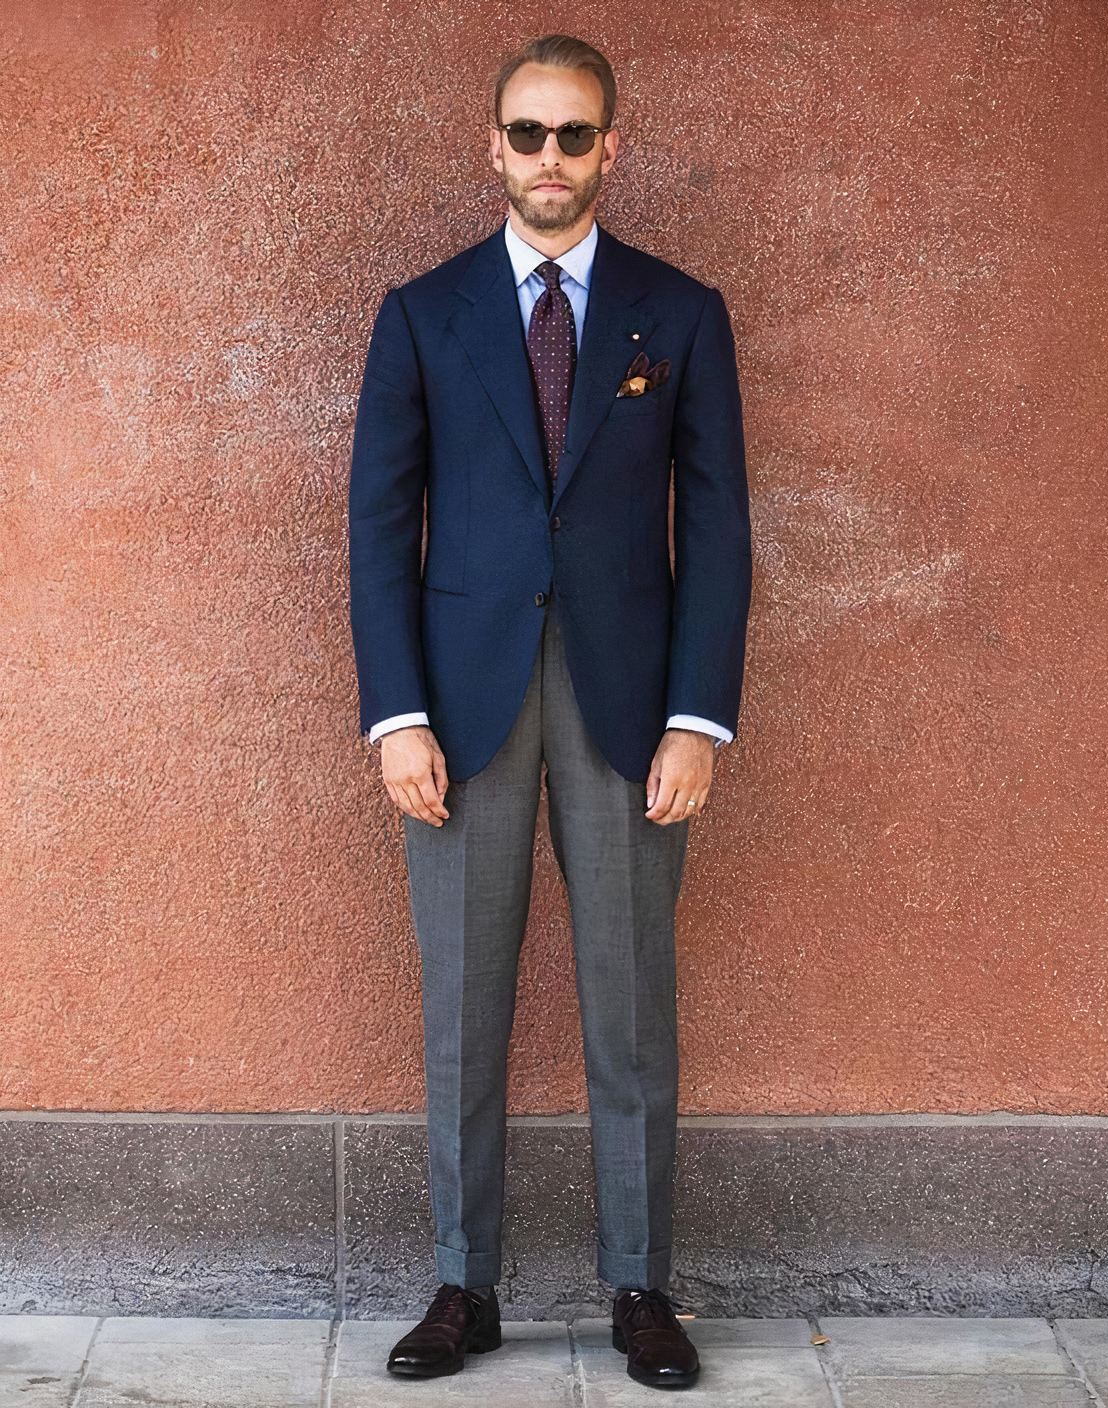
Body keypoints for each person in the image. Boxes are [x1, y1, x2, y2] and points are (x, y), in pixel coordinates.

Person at [348, 33, 751, 1391]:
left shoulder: (679, 313)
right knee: (461, 1008)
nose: (550, 160)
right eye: (528, 134)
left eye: (575, 137)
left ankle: (640, 1287)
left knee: (630, 1010)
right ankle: (465, 1287)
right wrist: (394, 714)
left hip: (632, 714)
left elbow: (724, 532)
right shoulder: (423, 312)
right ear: (493, 147)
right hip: (457, 718)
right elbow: (373, 530)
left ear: (610, 150)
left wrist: (700, 719)